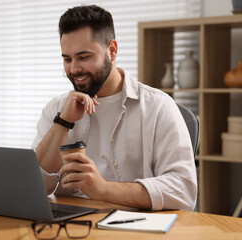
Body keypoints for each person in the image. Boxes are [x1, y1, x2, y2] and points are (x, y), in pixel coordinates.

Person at [31, 5, 197, 211]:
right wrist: (63, 123)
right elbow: (34, 187)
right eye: (67, 59)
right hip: (70, 228)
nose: (74, 69)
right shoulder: (57, 108)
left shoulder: (159, 107)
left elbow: (183, 190)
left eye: (84, 57)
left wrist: (102, 189)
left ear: (112, 50)